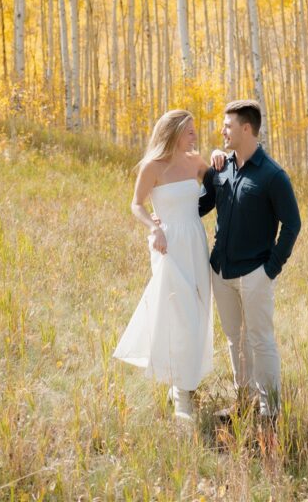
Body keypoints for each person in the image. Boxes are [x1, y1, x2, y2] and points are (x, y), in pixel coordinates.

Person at [200, 99, 301, 420]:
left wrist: (270, 269)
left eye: (227, 126)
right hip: (221, 270)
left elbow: (292, 224)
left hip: (254, 273)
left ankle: (269, 411)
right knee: (234, 340)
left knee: (260, 341)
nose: (222, 131)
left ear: (246, 129)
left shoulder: (273, 176)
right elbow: (204, 206)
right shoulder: (223, 167)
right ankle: (243, 403)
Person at [113, 109, 213, 421]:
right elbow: (136, 204)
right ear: (173, 133)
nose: (195, 137)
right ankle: (181, 394)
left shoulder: (196, 161)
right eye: (190, 132)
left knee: (197, 312)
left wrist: (221, 156)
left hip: (195, 241)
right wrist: (153, 228)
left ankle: (186, 382)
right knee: (177, 311)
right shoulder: (151, 166)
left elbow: (218, 182)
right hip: (167, 244)